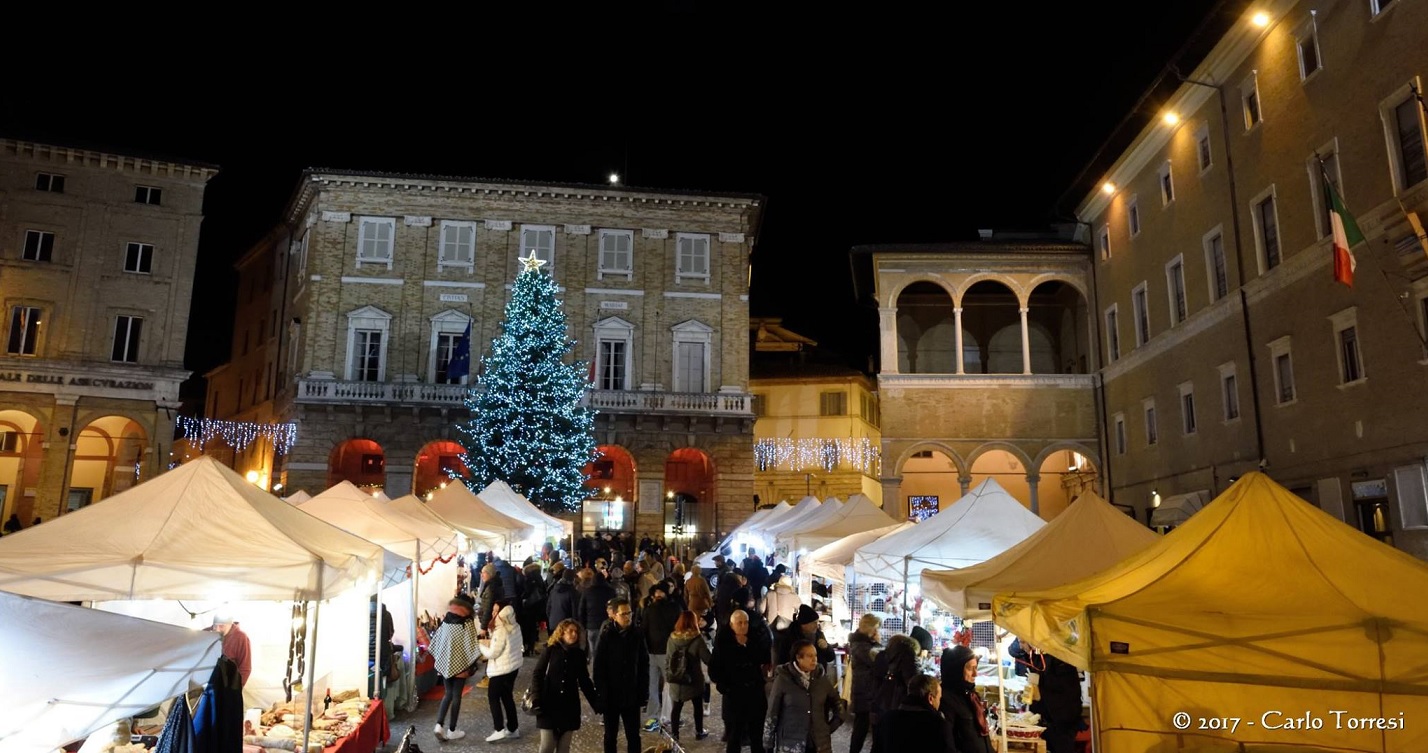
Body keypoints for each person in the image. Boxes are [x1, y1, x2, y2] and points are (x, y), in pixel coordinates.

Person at [764, 639, 845, 753]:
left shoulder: (821, 678)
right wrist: (768, 743)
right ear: (798, 658)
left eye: (815, 655)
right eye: (809, 656)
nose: (814, 660)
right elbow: (772, 713)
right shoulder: (783, 680)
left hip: (819, 743)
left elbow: (837, 702)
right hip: (791, 743)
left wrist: (831, 726)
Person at [530, 619, 597, 753]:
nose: (573, 634)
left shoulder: (579, 655)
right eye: (570, 631)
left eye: (576, 632)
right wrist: (536, 697)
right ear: (561, 633)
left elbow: (584, 681)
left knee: (564, 748)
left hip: (569, 707)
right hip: (548, 704)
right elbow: (537, 674)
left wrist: (596, 702)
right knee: (547, 746)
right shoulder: (550, 651)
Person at [592, 596, 648, 753]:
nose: (628, 617)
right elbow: (599, 668)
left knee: (633, 735)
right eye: (624, 614)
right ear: (614, 615)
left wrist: (643, 692)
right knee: (610, 735)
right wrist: (601, 694)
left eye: (629, 613)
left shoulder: (637, 634)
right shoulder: (606, 635)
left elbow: (644, 665)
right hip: (611, 695)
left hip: (632, 694)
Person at [708, 609, 768, 753]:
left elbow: (763, 657)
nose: (743, 626)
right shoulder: (723, 641)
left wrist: (748, 644)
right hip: (735, 696)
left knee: (756, 737)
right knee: (734, 737)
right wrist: (725, 688)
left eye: (745, 622)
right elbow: (714, 669)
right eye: (739, 623)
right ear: (732, 625)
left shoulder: (754, 638)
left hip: (755, 694)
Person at [1012, 640, 1084, 753]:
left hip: (1063, 720)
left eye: (1022, 642)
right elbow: (1013, 650)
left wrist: (1040, 685)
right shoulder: (1035, 655)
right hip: (1045, 719)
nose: (1021, 646)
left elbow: (1066, 687)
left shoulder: (1059, 657)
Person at [429, 594, 482, 741]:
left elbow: (436, 641)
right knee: (457, 695)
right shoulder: (468, 622)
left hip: (445, 662)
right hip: (461, 664)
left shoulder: (446, 620)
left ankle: (439, 725)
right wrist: (473, 663)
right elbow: (472, 645)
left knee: (448, 694)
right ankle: (452, 729)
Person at [477, 603, 524, 742]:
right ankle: (513, 728)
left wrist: (480, 646)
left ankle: (499, 729)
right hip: (512, 667)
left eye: (497, 611)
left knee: (493, 698)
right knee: (507, 697)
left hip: (500, 670)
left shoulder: (501, 630)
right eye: (493, 610)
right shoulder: (515, 625)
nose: (493, 613)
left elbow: (493, 653)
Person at [664, 610, 713, 741]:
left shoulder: (672, 638)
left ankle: (675, 735)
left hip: (676, 679)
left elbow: (668, 658)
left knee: (676, 708)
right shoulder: (697, 639)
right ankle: (699, 731)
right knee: (697, 706)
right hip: (693, 680)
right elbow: (707, 659)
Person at [639, 581, 681, 723]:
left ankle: (653, 716)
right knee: (668, 686)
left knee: (653, 685)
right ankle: (668, 716)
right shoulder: (674, 608)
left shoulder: (649, 610)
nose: (657, 594)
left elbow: (643, 630)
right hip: (666, 652)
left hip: (652, 652)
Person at [879, 673, 954, 752]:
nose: (939, 702)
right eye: (939, 698)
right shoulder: (937, 724)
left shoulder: (887, 719)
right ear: (930, 698)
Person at [940, 645, 994, 753]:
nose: (975, 674)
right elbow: (947, 744)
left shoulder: (971, 696)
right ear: (956, 670)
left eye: (976, 667)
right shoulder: (945, 700)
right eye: (970, 668)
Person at [846, 613, 883, 753]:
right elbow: (878, 661)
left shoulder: (861, 643)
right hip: (865, 691)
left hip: (866, 690)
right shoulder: (862, 646)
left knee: (863, 727)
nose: (877, 632)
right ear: (870, 629)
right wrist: (878, 643)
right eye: (876, 629)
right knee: (862, 727)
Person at [870, 633, 920, 730]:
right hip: (898, 706)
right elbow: (913, 682)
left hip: (879, 704)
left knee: (879, 740)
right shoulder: (908, 656)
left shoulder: (881, 656)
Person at [579, 567, 617, 661]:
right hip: (608, 624)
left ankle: (596, 670)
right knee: (608, 650)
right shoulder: (611, 591)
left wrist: (583, 625)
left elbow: (581, 610)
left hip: (592, 626)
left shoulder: (587, 592)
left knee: (594, 651)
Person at [210, 612, 252, 688]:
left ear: (230, 625)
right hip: (208, 684)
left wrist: (235, 689)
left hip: (229, 684)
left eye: (221, 626)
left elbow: (245, 668)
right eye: (215, 626)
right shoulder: (206, 632)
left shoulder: (241, 638)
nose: (217, 630)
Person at [521, 558, 546, 654]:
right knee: (534, 627)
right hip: (538, 606)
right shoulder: (539, 577)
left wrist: (523, 597)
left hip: (530, 606)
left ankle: (528, 647)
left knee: (528, 627)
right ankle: (533, 646)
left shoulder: (529, 578)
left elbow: (526, 592)